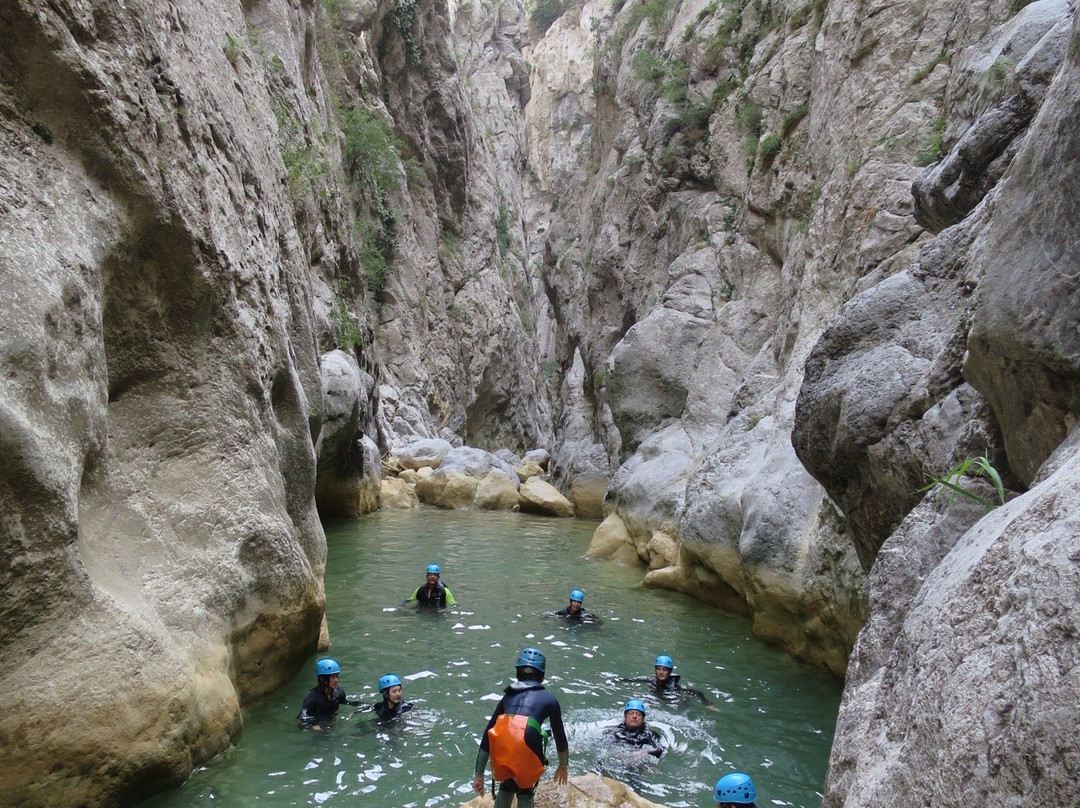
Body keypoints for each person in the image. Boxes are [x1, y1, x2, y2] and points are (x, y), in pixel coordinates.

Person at [472, 647, 569, 808]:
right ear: (543, 677)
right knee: (524, 789)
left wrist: (479, 775)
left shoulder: (507, 696)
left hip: (503, 738)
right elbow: (560, 736)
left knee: (507, 784)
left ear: (518, 673)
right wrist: (563, 765)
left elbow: (487, 735)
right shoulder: (550, 699)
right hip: (528, 736)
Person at [622, 654, 711, 705]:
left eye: (664, 670)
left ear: (670, 672)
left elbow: (696, 692)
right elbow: (632, 680)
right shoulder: (651, 680)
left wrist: (706, 703)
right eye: (658, 669)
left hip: (669, 701)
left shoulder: (673, 687)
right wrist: (615, 681)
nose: (661, 672)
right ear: (655, 670)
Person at [297, 658, 361, 728]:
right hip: (318, 726)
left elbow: (346, 702)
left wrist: (363, 707)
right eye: (333, 677)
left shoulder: (339, 693)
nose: (336, 680)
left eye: (337, 676)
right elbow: (301, 718)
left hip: (331, 723)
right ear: (322, 679)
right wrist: (314, 726)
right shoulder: (312, 698)